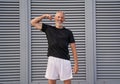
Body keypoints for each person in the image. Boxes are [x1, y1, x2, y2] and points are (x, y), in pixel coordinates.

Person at [31, 11, 78, 84]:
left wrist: (76, 64)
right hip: (52, 60)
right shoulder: (48, 29)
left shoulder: (68, 32)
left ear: (64, 20)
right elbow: (33, 22)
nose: (60, 19)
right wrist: (44, 16)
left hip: (65, 61)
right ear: (54, 18)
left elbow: (73, 49)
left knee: (67, 82)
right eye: (58, 17)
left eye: (62, 17)